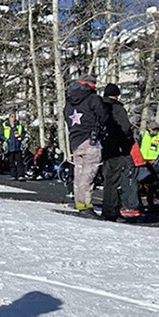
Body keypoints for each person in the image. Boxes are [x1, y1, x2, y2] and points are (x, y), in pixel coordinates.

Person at [64, 75, 107, 217]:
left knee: (79, 172)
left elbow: (66, 116)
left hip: (75, 140)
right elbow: (103, 115)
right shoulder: (93, 98)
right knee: (89, 174)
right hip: (91, 139)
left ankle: (80, 202)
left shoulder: (70, 100)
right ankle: (87, 205)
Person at [100, 83, 140, 220]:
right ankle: (111, 211)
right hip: (118, 149)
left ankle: (108, 208)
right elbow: (125, 128)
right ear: (116, 95)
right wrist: (127, 143)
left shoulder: (100, 107)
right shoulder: (117, 109)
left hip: (103, 148)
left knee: (108, 180)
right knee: (116, 181)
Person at [0, 113, 26, 181]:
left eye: (14, 117)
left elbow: (23, 133)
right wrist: (5, 139)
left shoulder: (19, 125)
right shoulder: (5, 125)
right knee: (11, 161)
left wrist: (21, 138)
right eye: (12, 117)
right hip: (9, 145)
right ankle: (13, 175)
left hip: (17, 145)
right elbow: (1, 134)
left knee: (19, 161)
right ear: (9, 117)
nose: (13, 118)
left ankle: (20, 175)